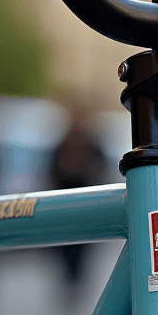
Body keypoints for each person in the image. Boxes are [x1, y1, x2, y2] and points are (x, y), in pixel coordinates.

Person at [48, 105, 105, 297]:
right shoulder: (62, 142)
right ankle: (69, 278)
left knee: (82, 248)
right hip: (65, 203)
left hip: (88, 203)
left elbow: (100, 168)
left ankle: (76, 279)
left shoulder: (92, 143)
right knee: (65, 247)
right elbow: (51, 170)